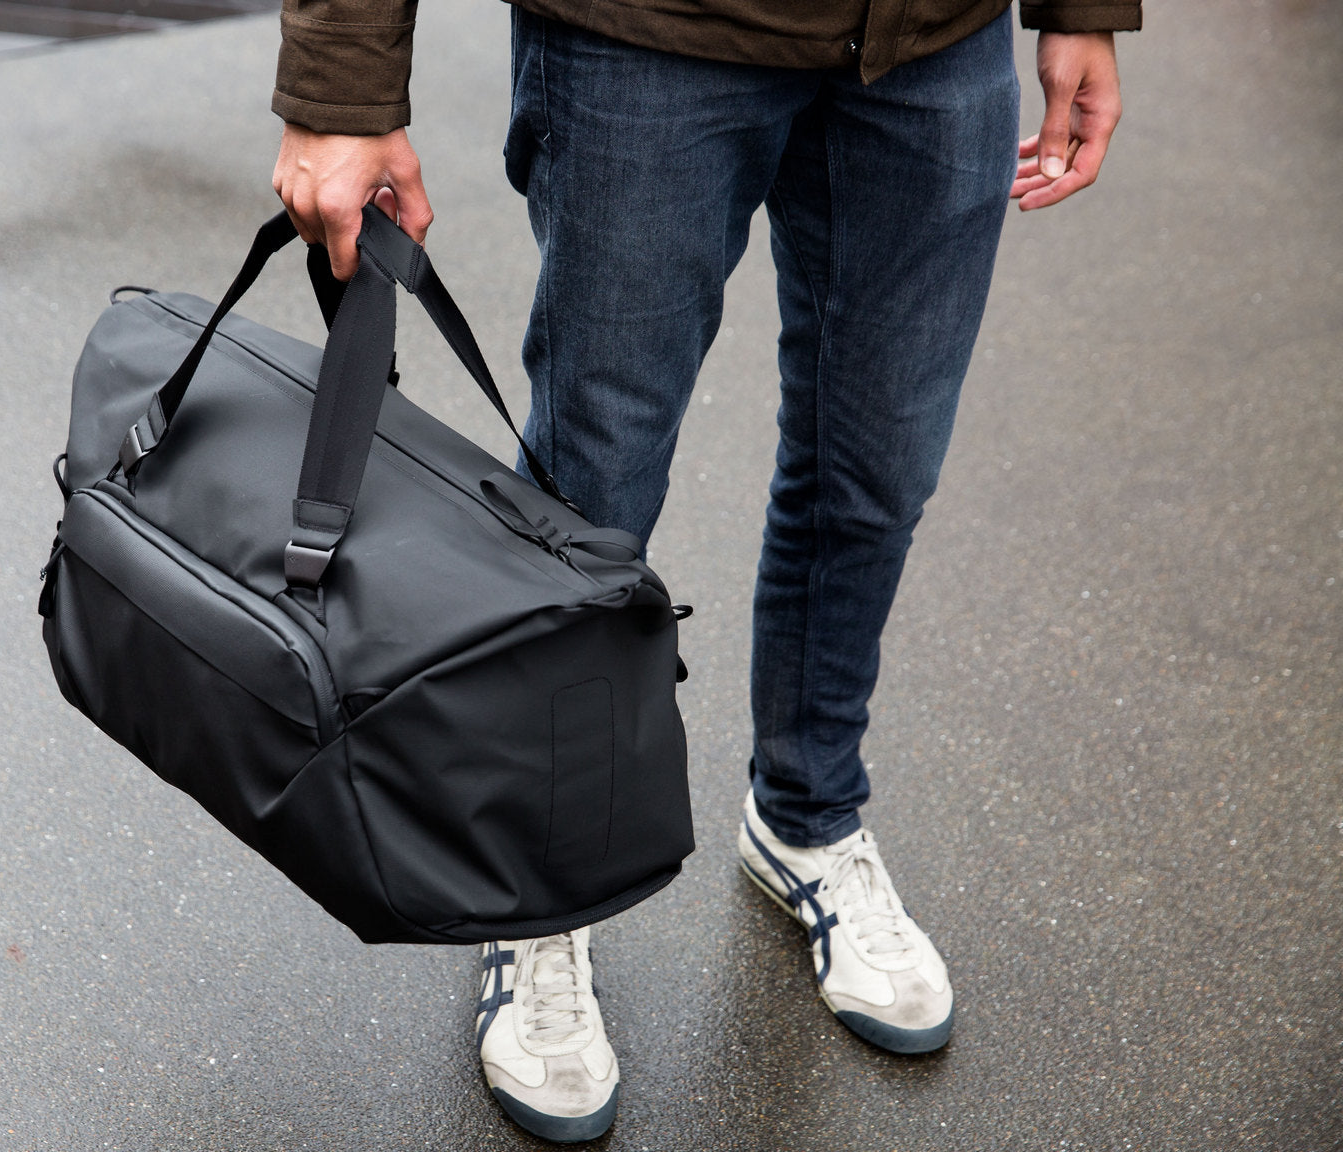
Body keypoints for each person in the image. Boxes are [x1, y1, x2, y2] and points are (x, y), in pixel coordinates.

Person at [271, 0, 1137, 1140]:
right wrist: (340, 89)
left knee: (875, 471)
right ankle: (542, 891)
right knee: (591, 501)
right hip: (649, 37)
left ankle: (808, 817)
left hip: (933, 39)